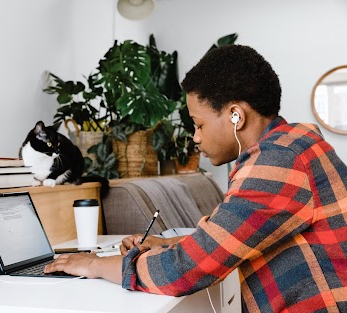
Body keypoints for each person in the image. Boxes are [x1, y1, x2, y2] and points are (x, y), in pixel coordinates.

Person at [45, 45, 347, 312]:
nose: (195, 137)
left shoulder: (278, 163)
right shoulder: (293, 144)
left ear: (235, 116)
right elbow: (231, 234)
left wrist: (94, 264)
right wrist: (169, 243)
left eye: (198, 123)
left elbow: (187, 269)